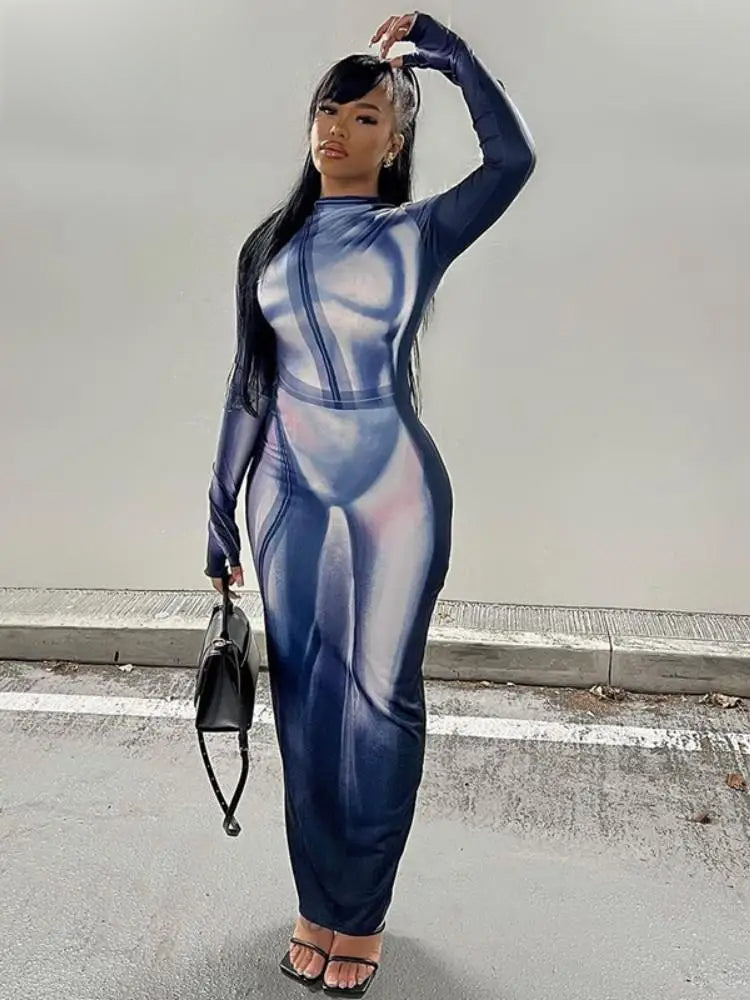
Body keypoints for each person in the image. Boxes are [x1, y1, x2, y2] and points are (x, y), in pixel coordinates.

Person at [204, 9, 535, 996]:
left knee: (379, 706)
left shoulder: (419, 231)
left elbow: (512, 163)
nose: (336, 128)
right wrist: (218, 503)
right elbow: (250, 386)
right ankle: (318, 906)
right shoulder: (268, 246)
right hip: (286, 489)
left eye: (363, 115)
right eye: (327, 109)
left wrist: (452, 54)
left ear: (395, 141)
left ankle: (364, 914)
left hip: (393, 489)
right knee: (307, 707)